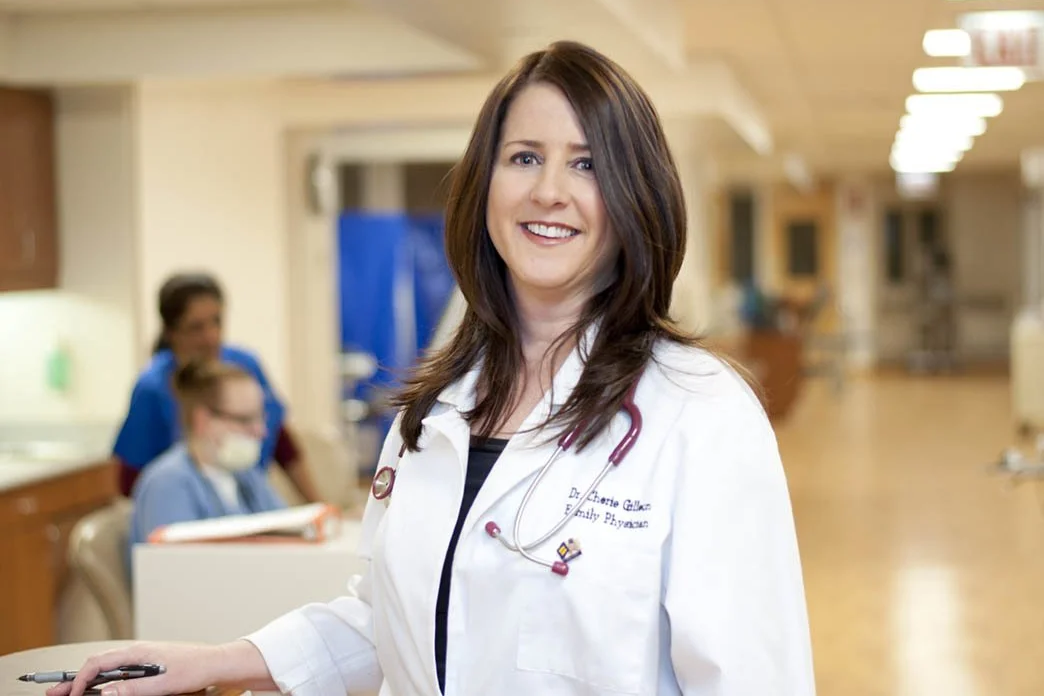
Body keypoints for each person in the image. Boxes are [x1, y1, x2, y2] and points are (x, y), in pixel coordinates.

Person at [54, 40, 815, 696]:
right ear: (486, 184)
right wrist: (213, 662)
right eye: (524, 157)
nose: (548, 190)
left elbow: (754, 677)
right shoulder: (440, 405)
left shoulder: (700, 413)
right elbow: (398, 620)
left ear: (635, 198)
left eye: (587, 164)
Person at [109, 272, 322, 504]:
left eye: (217, 322)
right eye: (196, 327)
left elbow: (282, 444)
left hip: (246, 501)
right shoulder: (153, 389)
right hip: (188, 507)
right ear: (171, 332)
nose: (211, 336)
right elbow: (130, 481)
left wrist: (321, 505)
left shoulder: (243, 367)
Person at [128, 359, 287, 555]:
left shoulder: (247, 476)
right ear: (202, 420)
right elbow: (180, 575)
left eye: (261, 417)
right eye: (245, 420)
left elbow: (289, 534)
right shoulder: (168, 485)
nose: (261, 431)